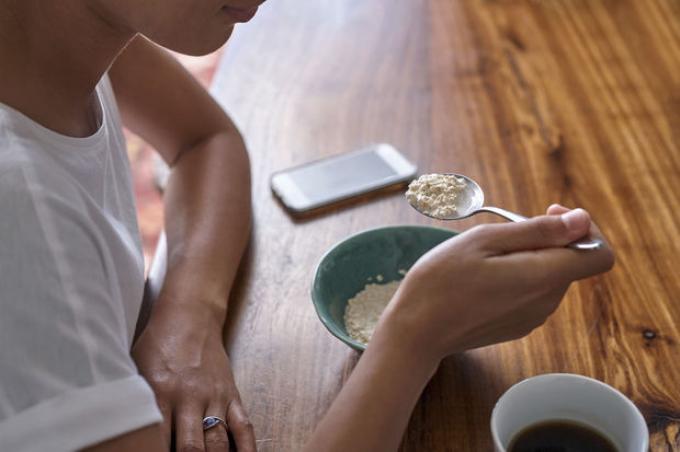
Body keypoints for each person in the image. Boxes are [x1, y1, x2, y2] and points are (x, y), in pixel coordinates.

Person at [0, 1, 615, 451]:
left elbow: (205, 139)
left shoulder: (70, 28)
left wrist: (186, 317)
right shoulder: (24, 214)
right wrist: (413, 338)